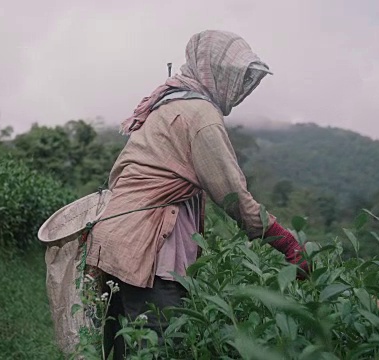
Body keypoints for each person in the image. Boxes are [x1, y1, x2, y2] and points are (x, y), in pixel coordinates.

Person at [85, 30, 310, 359]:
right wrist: (285, 242)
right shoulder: (200, 115)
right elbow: (232, 195)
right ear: (215, 72)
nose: (242, 88)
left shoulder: (167, 104)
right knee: (159, 347)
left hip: (117, 241)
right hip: (149, 252)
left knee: (122, 348)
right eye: (237, 77)